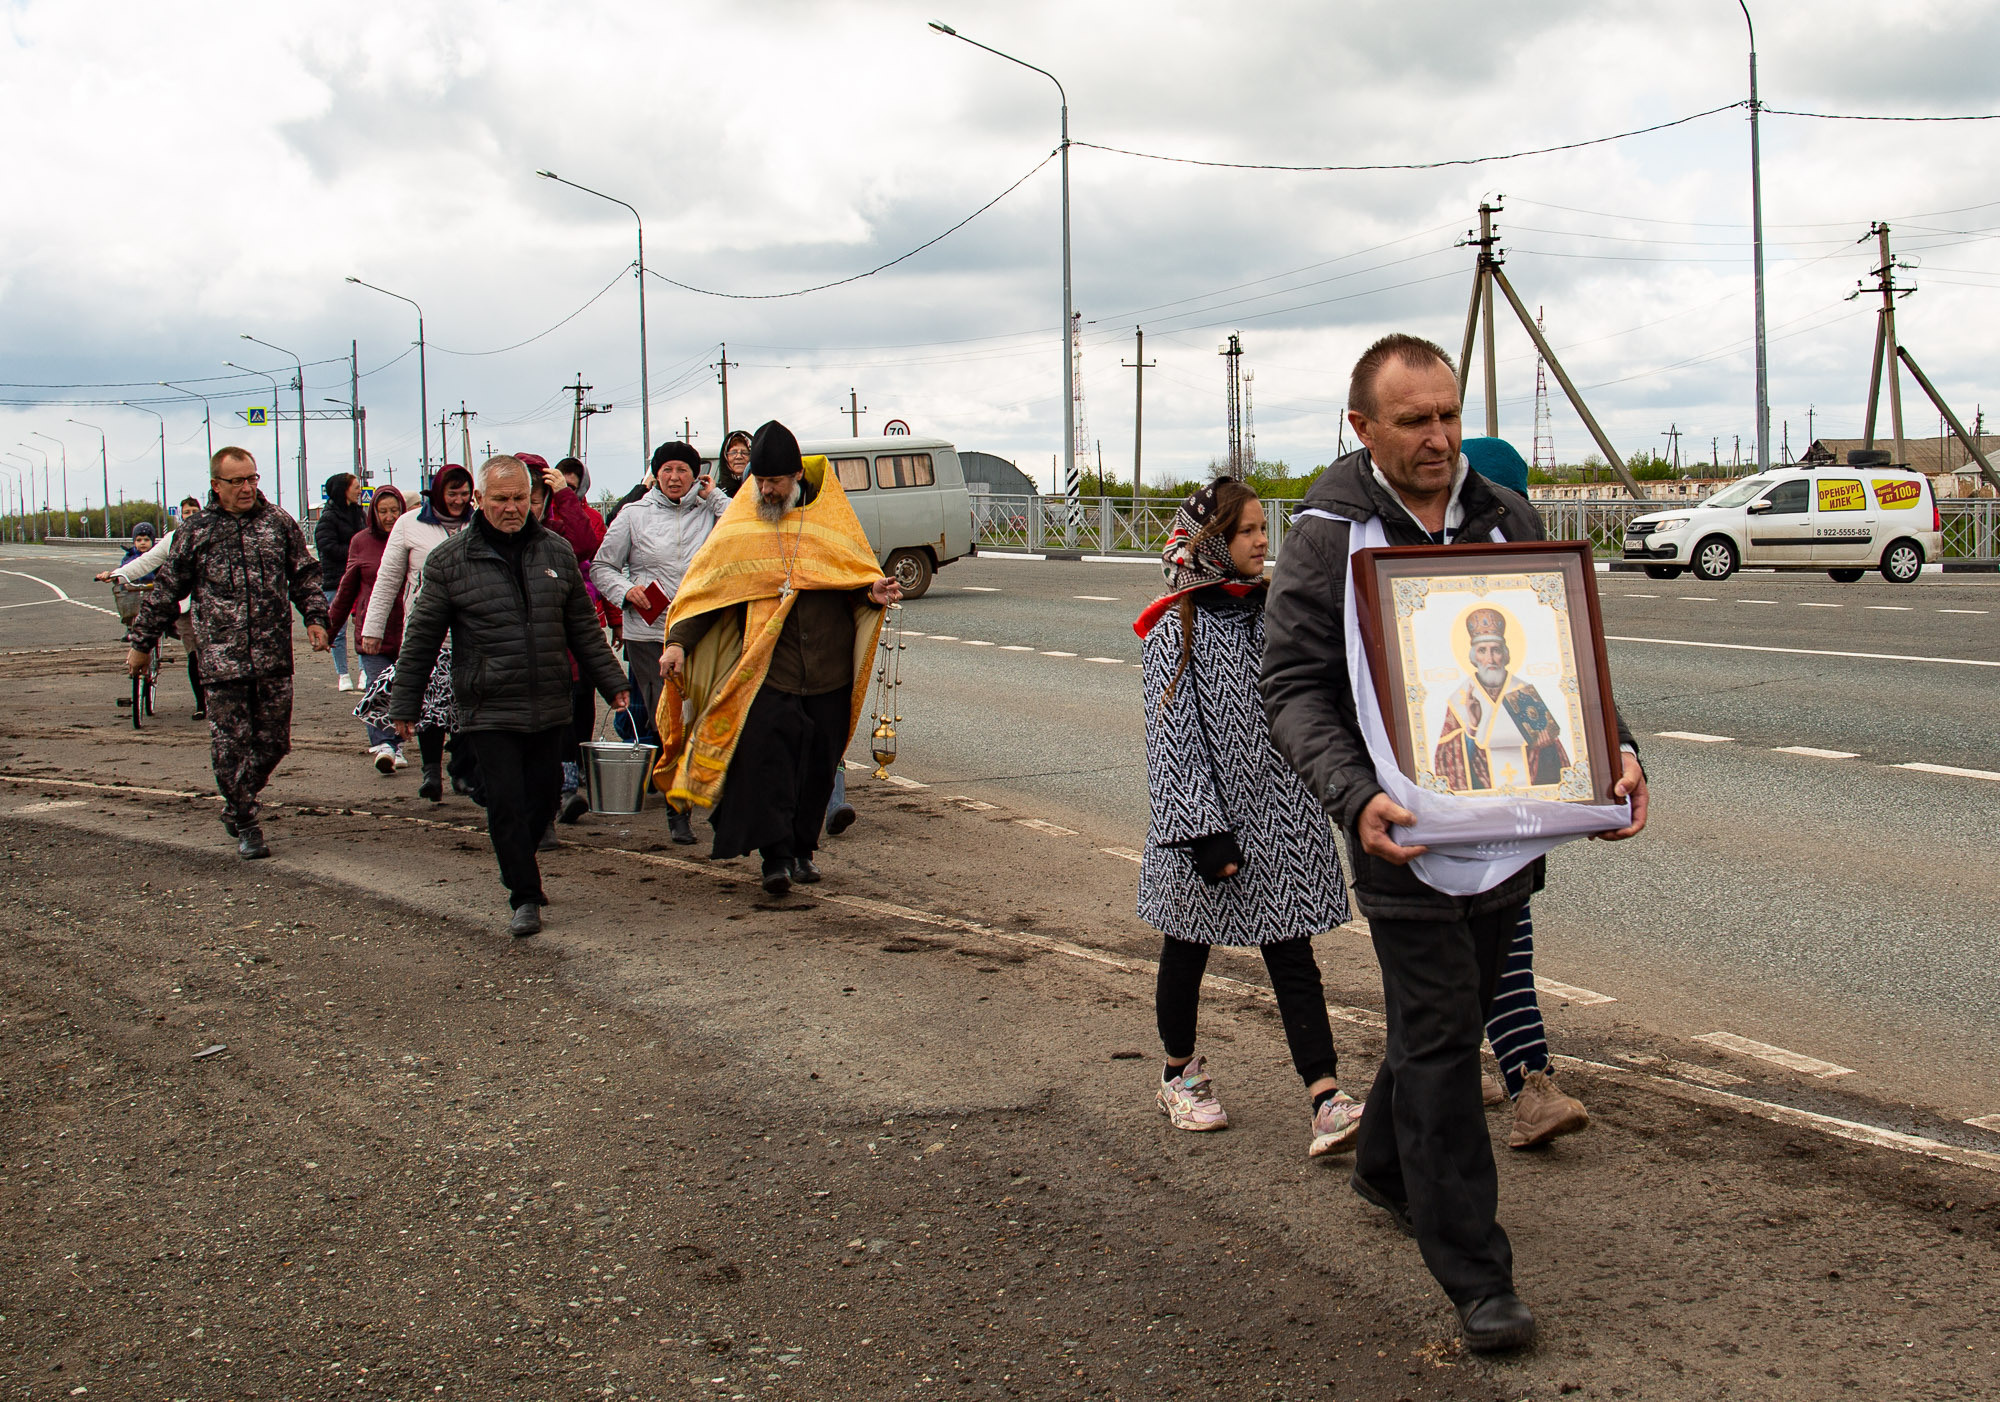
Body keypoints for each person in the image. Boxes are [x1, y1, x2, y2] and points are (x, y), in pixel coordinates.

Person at [1259, 333, 1648, 1354]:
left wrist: (1613, 750)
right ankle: (1476, 1276)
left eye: (1447, 413)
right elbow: (1291, 687)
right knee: (1437, 1037)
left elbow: (1563, 656)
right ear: (1362, 429)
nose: (1438, 436)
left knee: (1461, 1007)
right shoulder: (1326, 533)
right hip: (1399, 829)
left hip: (1510, 825)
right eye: (1413, 420)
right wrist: (1351, 798)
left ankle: (1384, 1165)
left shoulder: (1500, 514)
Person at [1136, 477, 1364, 1158]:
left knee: (1293, 953)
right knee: (1186, 948)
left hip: (1282, 813)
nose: (1264, 541)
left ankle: (1325, 1096)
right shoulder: (1173, 623)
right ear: (1211, 543)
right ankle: (1180, 1073)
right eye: (1246, 531)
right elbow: (1173, 736)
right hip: (1205, 824)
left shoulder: (1277, 614)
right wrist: (1203, 830)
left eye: (1267, 527)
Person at [658, 420, 901, 894]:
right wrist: (678, 643)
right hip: (768, 670)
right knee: (769, 766)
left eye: (775, 482)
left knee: (817, 767)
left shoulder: (830, 515)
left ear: (796, 477)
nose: (766, 491)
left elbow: (854, 577)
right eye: (759, 481)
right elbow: (710, 591)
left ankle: (803, 850)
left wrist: (870, 591)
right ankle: (775, 858)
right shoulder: (742, 521)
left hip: (829, 670)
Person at [391, 456, 628, 936]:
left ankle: (527, 866)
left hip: (548, 701)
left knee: (542, 799)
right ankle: (523, 893)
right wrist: (404, 703)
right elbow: (421, 637)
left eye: (520, 498)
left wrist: (614, 684)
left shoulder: (556, 552)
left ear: (532, 499)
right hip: (488, 705)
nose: (512, 508)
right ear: (480, 500)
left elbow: (583, 629)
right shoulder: (449, 561)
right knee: (505, 802)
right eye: (500, 499)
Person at [126, 447, 330, 858]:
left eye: (252, 479)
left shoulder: (279, 524)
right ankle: (245, 817)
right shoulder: (196, 531)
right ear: (217, 485)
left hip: (273, 654)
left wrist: (315, 617)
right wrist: (142, 644)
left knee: (274, 742)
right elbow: (168, 590)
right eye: (237, 481)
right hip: (221, 657)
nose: (247, 488)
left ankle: (239, 798)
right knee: (230, 743)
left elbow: (304, 575)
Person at [592, 441, 728, 843]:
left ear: (696, 475)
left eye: (682, 471)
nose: (674, 478)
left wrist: (714, 495)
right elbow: (602, 566)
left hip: (704, 632)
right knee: (665, 721)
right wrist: (626, 590)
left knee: (706, 717)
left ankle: (716, 803)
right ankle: (677, 810)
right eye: (666, 470)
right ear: (655, 474)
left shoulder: (711, 510)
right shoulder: (633, 515)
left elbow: (744, 524)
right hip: (649, 635)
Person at [364, 466, 475, 802]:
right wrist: (373, 628)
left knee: (465, 704)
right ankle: (431, 773)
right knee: (431, 705)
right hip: (427, 631)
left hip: (471, 632)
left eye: (464, 493)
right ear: (437, 492)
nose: (458, 500)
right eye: (451, 493)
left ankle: (461, 769)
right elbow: (387, 579)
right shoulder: (409, 525)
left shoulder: (479, 524)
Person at [527, 454, 611, 824]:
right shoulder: (480, 538)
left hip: (563, 635)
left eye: (531, 498)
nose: (521, 507)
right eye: (514, 497)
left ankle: (564, 789)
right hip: (511, 651)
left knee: (571, 704)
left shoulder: (557, 533)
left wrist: (564, 497)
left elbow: (586, 545)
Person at [1430, 607, 1569, 792]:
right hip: (1481, 789)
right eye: (1482, 651)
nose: (1490, 658)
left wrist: (1545, 746)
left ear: (1505, 654)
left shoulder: (1522, 692)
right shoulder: (1460, 698)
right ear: (1474, 657)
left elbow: (1554, 752)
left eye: (1495, 650)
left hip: (1531, 787)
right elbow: (1446, 757)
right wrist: (1472, 728)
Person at [327, 485, 409, 773]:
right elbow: (347, 587)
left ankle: (397, 740)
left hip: (408, 629)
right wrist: (330, 626)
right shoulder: (360, 542)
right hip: (372, 632)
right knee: (378, 688)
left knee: (402, 690)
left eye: (394, 510)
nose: (389, 516)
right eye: (383, 511)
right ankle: (386, 745)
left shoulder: (410, 537)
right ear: (373, 512)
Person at [103, 498, 208, 717]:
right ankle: (202, 704)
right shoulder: (173, 538)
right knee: (194, 654)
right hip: (186, 606)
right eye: (186, 512)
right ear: (180, 515)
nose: (190, 515)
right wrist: (116, 574)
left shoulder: (214, 533)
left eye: (194, 511)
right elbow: (145, 561)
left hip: (213, 607)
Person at [315, 473, 367, 691]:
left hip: (361, 578)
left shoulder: (360, 514)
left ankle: (364, 670)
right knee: (337, 626)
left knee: (364, 624)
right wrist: (356, 553)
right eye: (356, 487)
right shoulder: (327, 518)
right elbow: (326, 547)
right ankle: (343, 674)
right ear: (343, 489)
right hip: (335, 580)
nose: (359, 490)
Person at [713, 428, 753, 497]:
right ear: (726, 457)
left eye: (744, 452)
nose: (739, 456)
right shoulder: (717, 494)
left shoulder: (761, 489)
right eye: (733, 452)